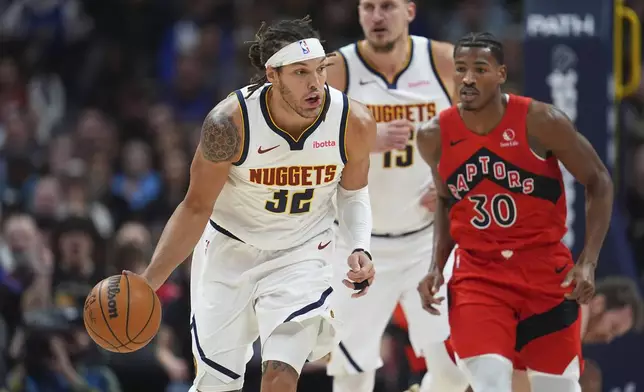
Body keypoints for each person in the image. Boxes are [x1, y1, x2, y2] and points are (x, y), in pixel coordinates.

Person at [129, 16, 378, 392]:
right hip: (231, 249)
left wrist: (360, 245)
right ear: (272, 75)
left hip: (303, 252)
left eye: (320, 69)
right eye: (299, 72)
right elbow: (196, 207)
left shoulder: (352, 121)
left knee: (280, 375)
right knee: (218, 383)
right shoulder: (229, 124)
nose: (315, 84)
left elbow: (354, 192)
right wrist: (150, 281)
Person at [416, 32, 614, 392]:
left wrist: (588, 260)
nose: (468, 78)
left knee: (560, 388)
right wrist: (435, 266)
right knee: (490, 382)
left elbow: (599, 180)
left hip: (544, 273)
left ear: (501, 73)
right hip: (479, 274)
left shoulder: (541, 121)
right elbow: (446, 200)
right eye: (460, 69)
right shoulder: (433, 135)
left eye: (480, 69)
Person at [323, 1, 461, 391]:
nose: (377, 16)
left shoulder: (444, 61)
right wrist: (366, 140)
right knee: (352, 374)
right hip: (358, 245)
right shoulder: (336, 69)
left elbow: (483, 135)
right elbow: (302, 145)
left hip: (426, 243)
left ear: (410, 11)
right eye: (368, 7)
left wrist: (454, 181)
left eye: (387, 6)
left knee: (454, 372)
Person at [415, 275, 644, 392]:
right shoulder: (571, 315)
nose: (608, 338)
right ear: (599, 303)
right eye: (612, 328)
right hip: (452, 349)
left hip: (452, 357)